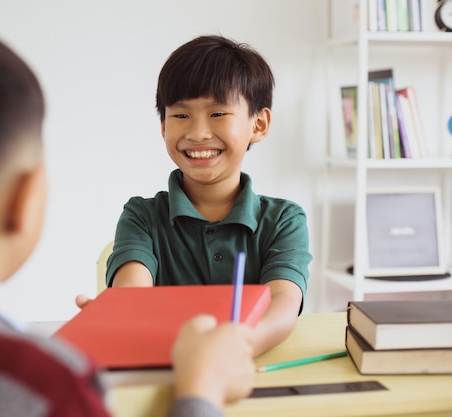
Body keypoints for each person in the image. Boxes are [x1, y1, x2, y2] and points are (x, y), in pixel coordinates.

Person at [0, 20, 255, 417]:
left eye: (217, 114)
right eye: (181, 114)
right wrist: (201, 389)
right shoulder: (47, 383)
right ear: (22, 199)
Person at [78, 35, 312, 358]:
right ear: (163, 126)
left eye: (217, 114)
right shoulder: (141, 217)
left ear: (258, 124)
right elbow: (132, 294)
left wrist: (233, 347)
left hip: (250, 371)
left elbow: (282, 303)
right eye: (181, 115)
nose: (198, 132)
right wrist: (121, 315)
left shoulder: (284, 220)